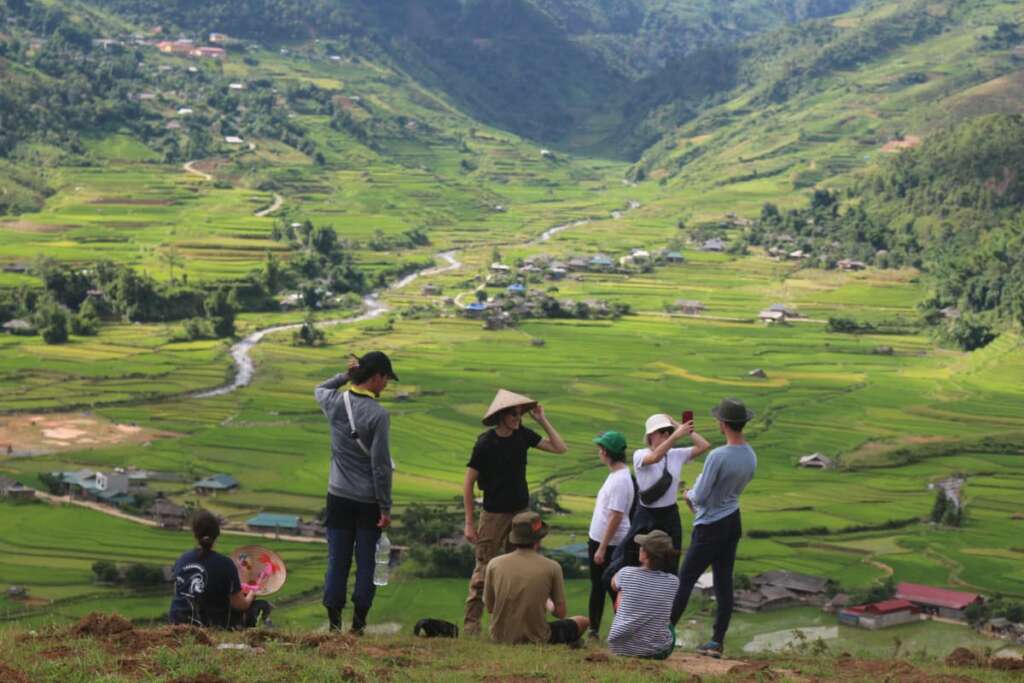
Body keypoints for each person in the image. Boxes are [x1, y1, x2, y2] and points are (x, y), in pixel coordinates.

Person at [462, 389, 568, 635]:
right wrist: (469, 523)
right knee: (483, 570)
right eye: (513, 413)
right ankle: (471, 626)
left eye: (520, 413)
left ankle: (512, 625)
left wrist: (542, 419)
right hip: (493, 514)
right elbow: (468, 483)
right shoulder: (485, 443)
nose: (517, 417)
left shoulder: (523, 436)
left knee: (519, 572)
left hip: (521, 513)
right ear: (500, 415)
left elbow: (560, 448)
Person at [315, 350, 398, 634]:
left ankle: (334, 624)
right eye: (386, 378)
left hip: (337, 497)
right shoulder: (378, 414)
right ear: (376, 376)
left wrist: (344, 376)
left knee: (337, 559)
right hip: (368, 503)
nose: (386, 384)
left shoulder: (335, 402)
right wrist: (385, 508)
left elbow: (319, 389)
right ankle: (359, 626)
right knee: (366, 563)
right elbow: (381, 466)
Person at [671, 398, 757, 659]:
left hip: (710, 525)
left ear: (723, 424)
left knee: (685, 578)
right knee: (723, 583)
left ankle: (665, 631)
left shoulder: (718, 456)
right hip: (733, 520)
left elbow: (702, 496)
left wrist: (689, 494)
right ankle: (717, 641)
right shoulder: (750, 455)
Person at [483, 511, 589, 646]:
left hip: (499, 637)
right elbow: (560, 613)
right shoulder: (552, 567)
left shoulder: (494, 564)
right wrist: (548, 602)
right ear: (539, 539)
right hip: (538, 637)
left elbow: (490, 607)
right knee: (583, 620)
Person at [169, 510, 272, 628]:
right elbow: (240, 605)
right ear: (217, 534)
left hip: (177, 621)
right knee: (261, 606)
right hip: (209, 624)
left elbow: (178, 591)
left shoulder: (182, 559)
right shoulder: (225, 564)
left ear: (194, 534)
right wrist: (252, 593)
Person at [586, 431, 634, 640]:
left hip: (610, 544)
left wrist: (602, 547)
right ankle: (595, 629)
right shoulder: (617, 475)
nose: (598, 452)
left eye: (600, 448)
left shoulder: (620, 480)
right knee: (599, 585)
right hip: (601, 540)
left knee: (612, 586)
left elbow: (616, 516)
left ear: (606, 452)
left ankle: (621, 631)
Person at [607, 530, 681, 659]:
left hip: (619, 648)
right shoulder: (673, 582)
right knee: (667, 622)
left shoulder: (626, 573)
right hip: (657, 652)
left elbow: (613, 584)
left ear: (645, 554)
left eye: (642, 547)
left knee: (621, 591)